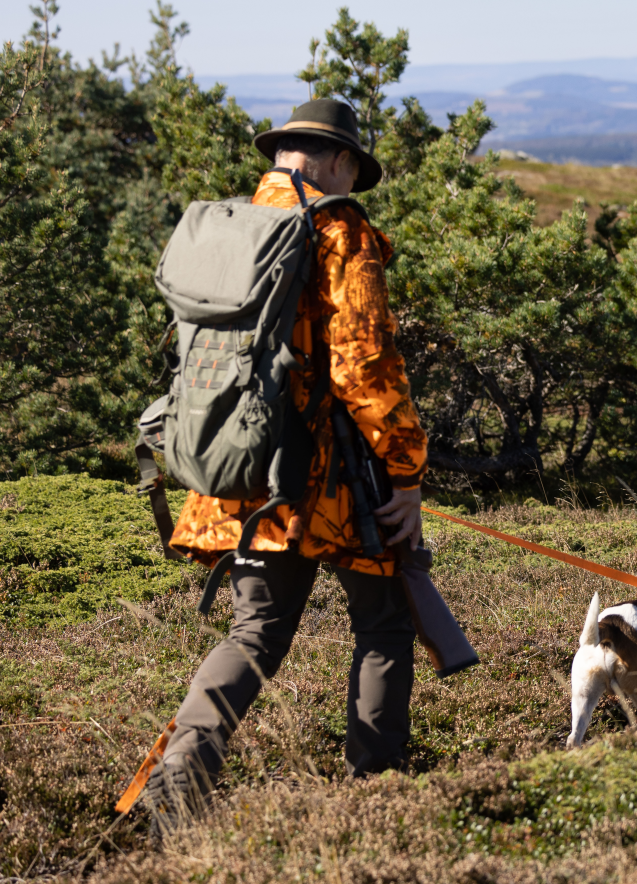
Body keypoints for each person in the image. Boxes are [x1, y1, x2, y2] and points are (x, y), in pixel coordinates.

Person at [144, 98, 428, 830]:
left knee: (254, 635)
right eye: (353, 171)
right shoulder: (339, 230)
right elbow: (364, 363)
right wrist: (405, 473)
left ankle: (175, 789)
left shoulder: (227, 227)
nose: (352, 183)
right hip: (337, 481)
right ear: (338, 161)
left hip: (241, 468)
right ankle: (377, 793)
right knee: (385, 625)